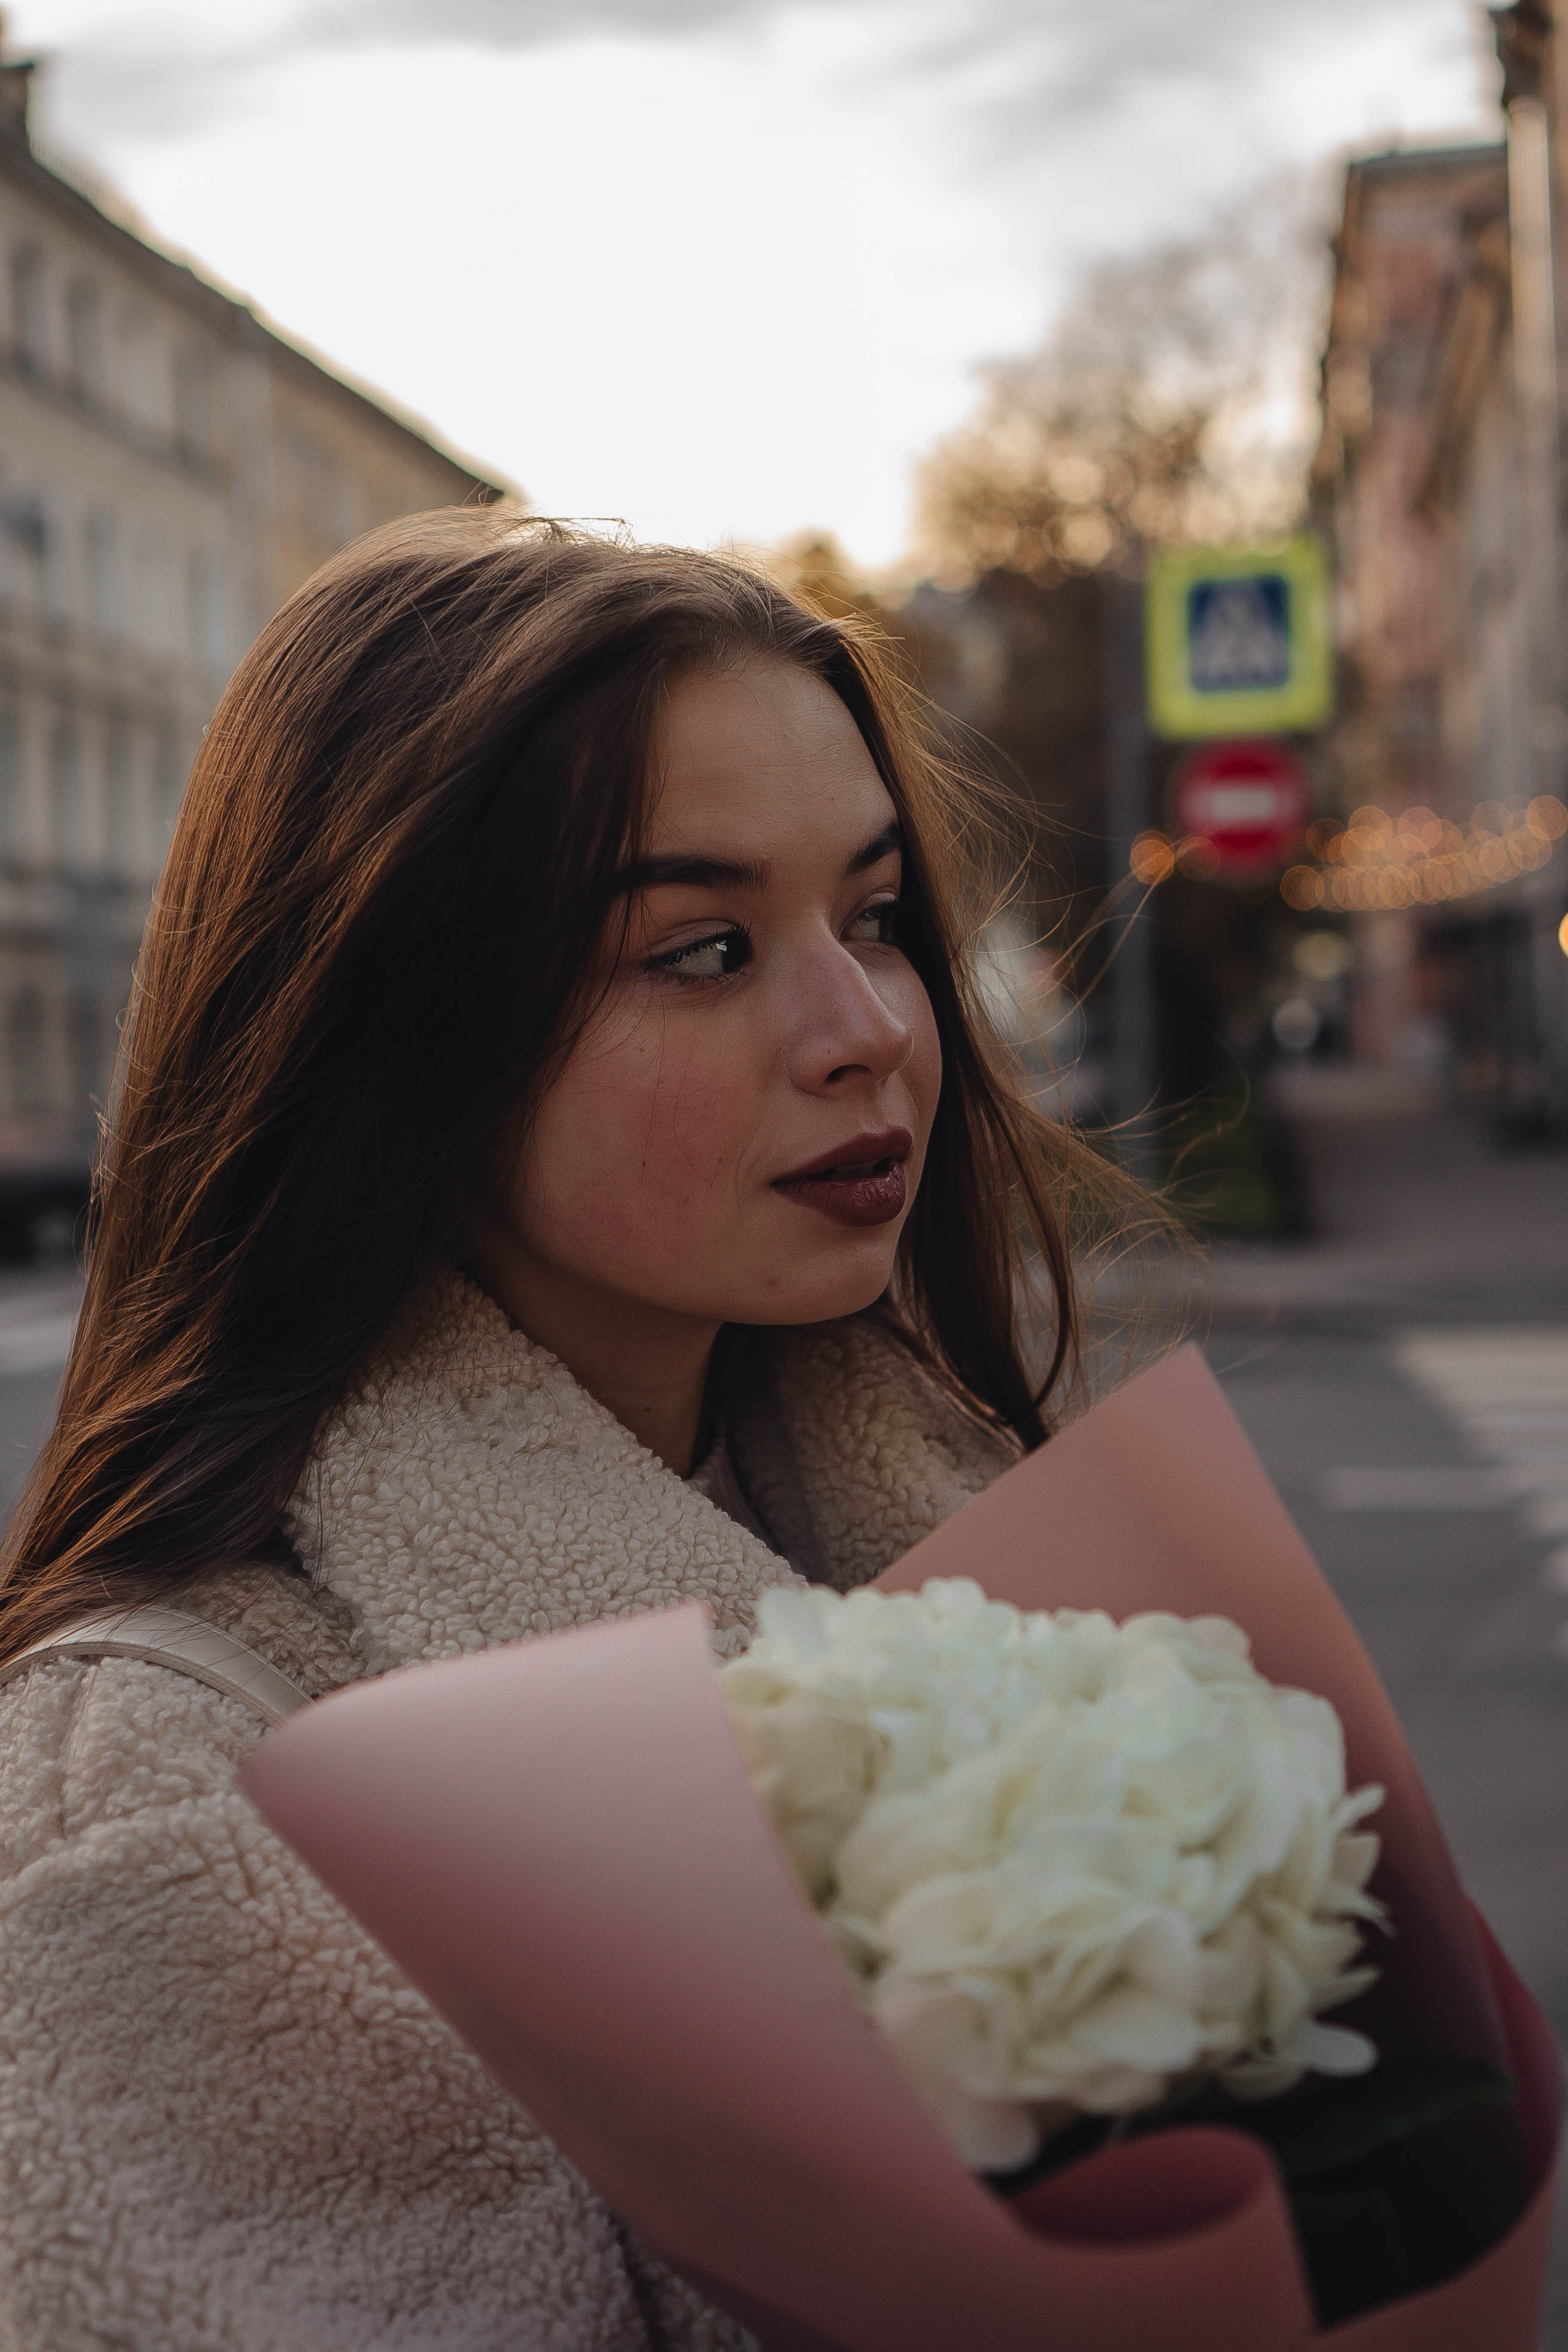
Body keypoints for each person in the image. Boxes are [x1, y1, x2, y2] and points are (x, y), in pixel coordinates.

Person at [0, 511, 1145, 2349]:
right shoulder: (173, 1774)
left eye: (870, 918)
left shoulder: (954, 1542)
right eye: (702, 950)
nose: (863, 1030)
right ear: (398, 1039)